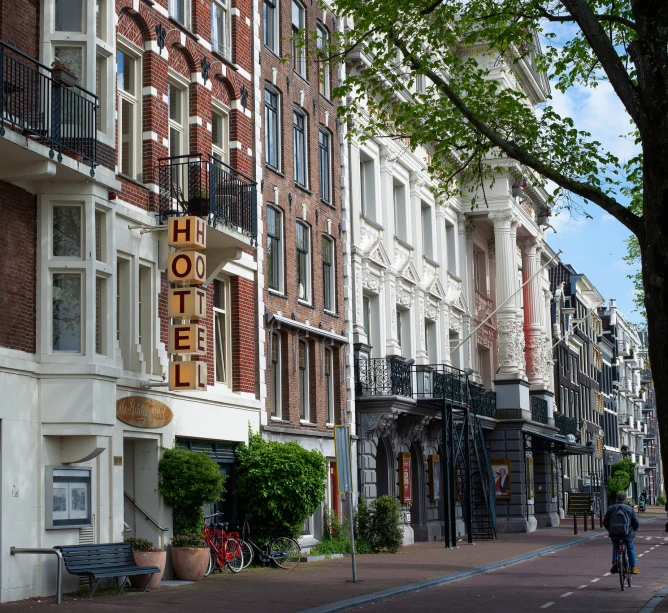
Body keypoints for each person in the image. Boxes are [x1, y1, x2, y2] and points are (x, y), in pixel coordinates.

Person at [604, 491, 640, 575]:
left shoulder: (611, 508)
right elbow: (636, 523)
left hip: (615, 534)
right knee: (630, 548)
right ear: (625, 498)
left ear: (617, 498)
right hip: (627, 534)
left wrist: (610, 530)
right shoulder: (629, 509)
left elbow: (605, 522)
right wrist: (633, 531)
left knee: (615, 548)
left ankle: (615, 564)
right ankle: (633, 567)